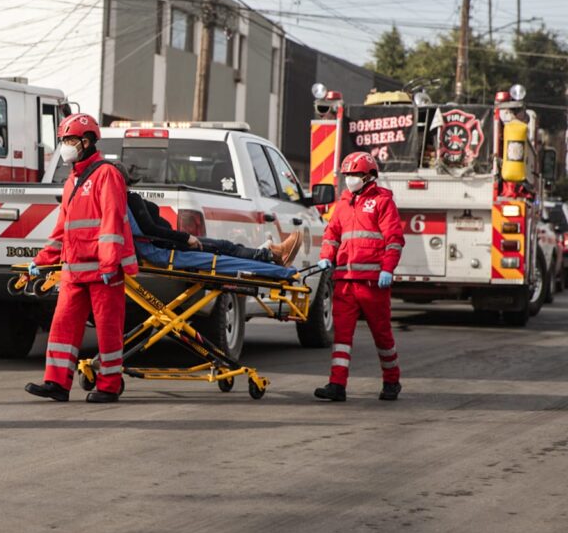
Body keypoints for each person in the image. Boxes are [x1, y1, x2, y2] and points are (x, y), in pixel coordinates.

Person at [24, 113, 137, 403]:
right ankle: (57, 384)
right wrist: (41, 260)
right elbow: (62, 230)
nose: (65, 146)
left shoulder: (106, 174)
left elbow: (113, 221)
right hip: (74, 271)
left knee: (108, 330)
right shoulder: (72, 181)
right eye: (63, 141)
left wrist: (110, 264)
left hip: (102, 270)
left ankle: (109, 386)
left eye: (70, 140)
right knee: (62, 326)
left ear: (86, 142)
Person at [314, 151, 404, 402]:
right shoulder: (342, 203)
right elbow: (331, 234)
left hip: (373, 282)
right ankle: (337, 384)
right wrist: (326, 256)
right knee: (342, 337)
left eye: (353, 174)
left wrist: (387, 268)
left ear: (368, 176)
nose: (349, 179)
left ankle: (391, 381)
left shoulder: (382, 202)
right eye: (347, 175)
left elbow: (394, 240)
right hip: (345, 280)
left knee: (382, 335)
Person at [118, 164, 302, 266]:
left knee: (224, 247)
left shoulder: (119, 204)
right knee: (224, 247)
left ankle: (270, 253)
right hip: (168, 248)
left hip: (163, 246)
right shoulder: (131, 199)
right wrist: (186, 237)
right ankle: (271, 255)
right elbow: (150, 229)